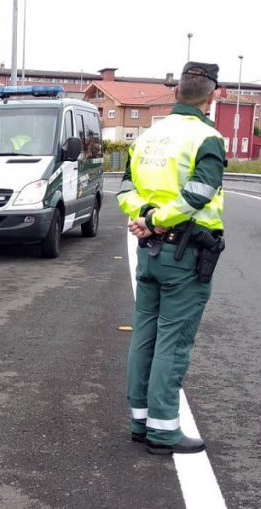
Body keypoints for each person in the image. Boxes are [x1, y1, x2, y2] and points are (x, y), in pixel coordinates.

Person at [117, 62, 226, 455]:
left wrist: (144, 218)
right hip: (185, 255)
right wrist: (160, 221)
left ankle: (140, 421)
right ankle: (164, 431)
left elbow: (125, 188)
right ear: (211, 97)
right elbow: (199, 192)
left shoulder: (148, 137)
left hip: (149, 254)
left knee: (144, 337)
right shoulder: (207, 138)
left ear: (177, 92)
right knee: (173, 342)